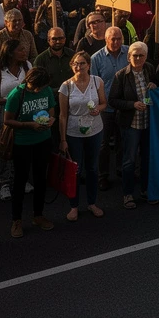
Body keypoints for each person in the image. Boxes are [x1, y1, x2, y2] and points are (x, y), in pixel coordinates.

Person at [3, 66, 56, 238]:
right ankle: (16, 220)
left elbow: (51, 110)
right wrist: (29, 125)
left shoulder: (47, 90)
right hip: (23, 142)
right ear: (29, 82)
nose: (39, 90)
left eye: (41, 87)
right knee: (20, 180)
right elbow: (7, 120)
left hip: (43, 140)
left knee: (41, 178)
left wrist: (51, 119)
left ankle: (38, 215)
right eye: (36, 87)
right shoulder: (16, 94)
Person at [57, 51, 106, 221]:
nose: (79, 67)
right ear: (72, 66)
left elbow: (104, 103)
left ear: (89, 65)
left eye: (82, 63)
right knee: (75, 170)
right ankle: (74, 206)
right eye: (75, 64)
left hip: (95, 129)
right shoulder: (66, 86)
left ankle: (92, 203)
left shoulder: (97, 81)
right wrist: (63, 139)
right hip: (74, 132)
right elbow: (63, 115)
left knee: (92, 168)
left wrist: (98, 109)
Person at [109, 42, 155, 208]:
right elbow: (113, 100)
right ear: (128, 57)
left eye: (141, 55)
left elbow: (157, 87)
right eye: (134, 55)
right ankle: (128, 194)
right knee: (129, 160)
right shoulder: (121, 75)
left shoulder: (149, 69)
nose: (138, 58)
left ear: (146, 57)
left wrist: (154, 86)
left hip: (148, 122)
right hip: (130, 124)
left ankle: (146, 190)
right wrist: (132, 105)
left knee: (147, 158)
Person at [91, 27, 128, 191]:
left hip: (124, 105)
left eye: (119, 38)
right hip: (105, 108)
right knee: (103, 144)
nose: (116, 42)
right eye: (113, 39)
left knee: (122, 140)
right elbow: (93, 84)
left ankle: (121, 170)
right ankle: (103, 176)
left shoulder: (129, 52)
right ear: (106, 40)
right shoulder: (96, 58)